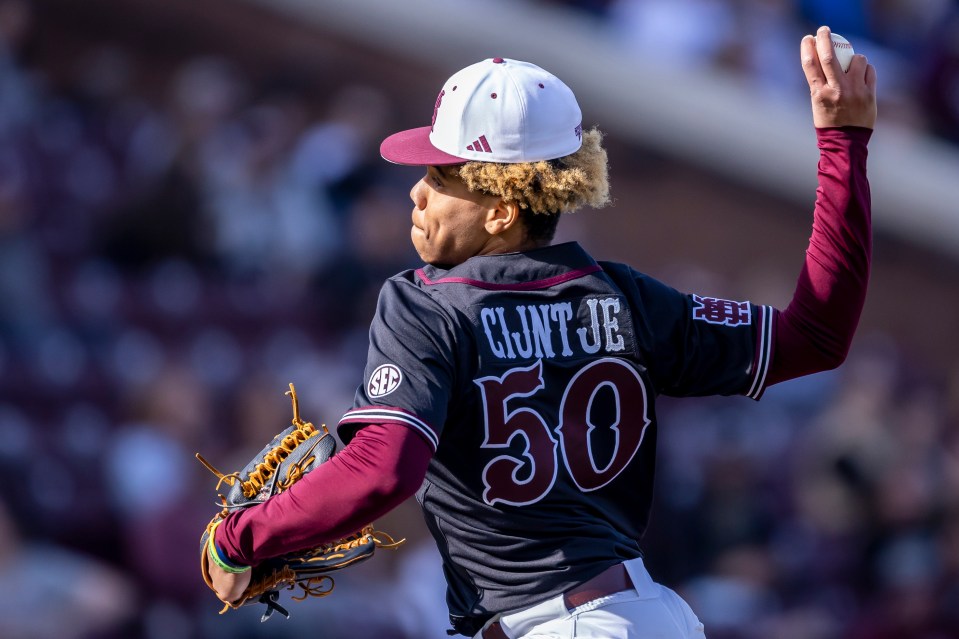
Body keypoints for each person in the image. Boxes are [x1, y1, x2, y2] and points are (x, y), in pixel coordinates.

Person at [207, 26, 877, 638]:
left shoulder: (427, 304)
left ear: (500, 210)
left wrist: (239, 538)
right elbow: (815, 336)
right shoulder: (627, 297)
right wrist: (841, 144)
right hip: (641, 615)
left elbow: (384, 468)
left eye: (440, 176)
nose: (416, 192)